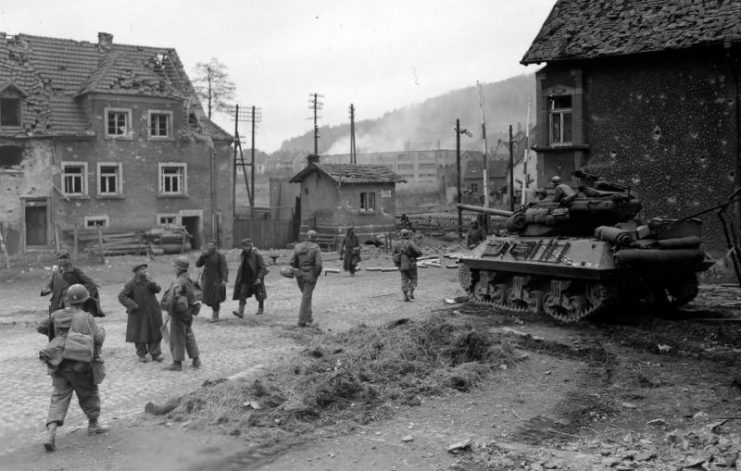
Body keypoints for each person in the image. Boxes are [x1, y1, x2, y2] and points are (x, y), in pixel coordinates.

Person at [37, 284, 107, 452]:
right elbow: (97, 338)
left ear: (67, 299)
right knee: (88, 393)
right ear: (85, 300)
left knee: (59, 397)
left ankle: (51, 431)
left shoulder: (56, 314)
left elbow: (41, 327)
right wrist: (102, 331)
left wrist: (59, 335)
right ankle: (93, 424)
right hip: (79, 363)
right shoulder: (86, 317)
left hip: (58, 363)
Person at [41, 251, 104, 339]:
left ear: (69, 259)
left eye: (65, 258)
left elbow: (89, 283)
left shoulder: (75, 271)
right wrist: (45, 291)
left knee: (74, 325)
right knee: (55, 326)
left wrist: (81, 292)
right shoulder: (56, 273)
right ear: (58, 260)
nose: (63, 260)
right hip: (57, 305)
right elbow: (50, 287)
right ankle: (58, 344)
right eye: (60, 258)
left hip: (72, 303)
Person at [117, 262, 164, 363]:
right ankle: (141, 354)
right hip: (138, 313)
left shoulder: (148, 281)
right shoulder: (130, 284)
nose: (145, 271)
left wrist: (152, 283)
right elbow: (121, 296)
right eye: (142, 269)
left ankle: (155, 353)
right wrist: (132, 305)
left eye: (145, 269)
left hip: (152, 311)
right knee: (140, 333)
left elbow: (158, 289)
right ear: (137, 272)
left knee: (154, 332)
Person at [161, 256, 201, 371]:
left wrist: (168, 310)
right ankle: (196, 359)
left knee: (177, 337)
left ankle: (177, 363)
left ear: (179, 268)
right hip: (189, 311)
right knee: (188, 335)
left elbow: (173, 297)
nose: (173, 268)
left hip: (179, 312)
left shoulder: (178, 281)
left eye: (174, 266)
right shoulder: (189, 278)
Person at [290, 230, 323, 327]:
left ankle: (309, 317)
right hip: (310, 275)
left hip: (299, 275)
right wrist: (315, 274)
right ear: (315, 239)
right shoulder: (316, 248)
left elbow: (292, 261)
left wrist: (298, 270)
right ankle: (302, 321)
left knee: (306, 296)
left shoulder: (298, 247)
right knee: (306, 297)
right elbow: (319, 264)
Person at [232, 238, 268, 318]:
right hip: (245, 278)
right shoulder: (243, 255)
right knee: (242, 294)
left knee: (259, 294)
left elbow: (263, 268)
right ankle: (241, 311)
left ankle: (260, 308)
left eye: (248, 246)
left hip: (255, 277)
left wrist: (259, 278)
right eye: (244, 246)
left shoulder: (257, 255)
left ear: (250, 246)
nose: (246, 248)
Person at [196, 241, 229, 322]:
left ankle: (215, 315)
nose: (210, 247)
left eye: (211, 245)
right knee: (207, 299)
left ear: (215, 246)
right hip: (207, 280)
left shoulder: (219, 255)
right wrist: (202, 256)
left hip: (216, 280)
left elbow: (224, 268)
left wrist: (224, 280)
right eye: (208, 245)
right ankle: (215, 311)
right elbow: (198, 264)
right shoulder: (206, 255)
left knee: (215, 298)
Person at [392, 228, 423, 302]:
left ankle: (405, 296)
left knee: (404, 280)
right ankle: (411, 292)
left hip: (402, 264)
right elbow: (418, 252)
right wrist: (416, 255)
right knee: (414, 278)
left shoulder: (396, 244)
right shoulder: (410, 243)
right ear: (408, 235)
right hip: (411, 263)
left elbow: (393, 255)